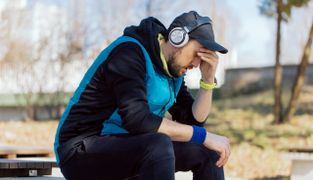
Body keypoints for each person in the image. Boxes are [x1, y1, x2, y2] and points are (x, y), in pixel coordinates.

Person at [54, 10, 230, 180]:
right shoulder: (129, 52)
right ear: (178, 38)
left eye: (205, 56)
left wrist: (207, 81)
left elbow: (193, 123)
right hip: (80, 150)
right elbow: (138, 120)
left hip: (129, 147)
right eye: (198, 53)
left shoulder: (173, 72)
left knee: (209, 152)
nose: (197, 63)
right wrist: (204, 135)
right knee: (159, 144)